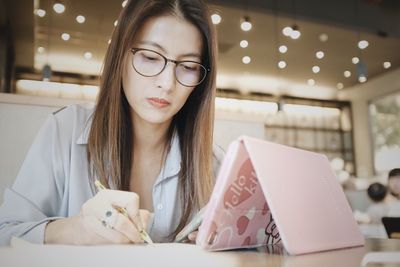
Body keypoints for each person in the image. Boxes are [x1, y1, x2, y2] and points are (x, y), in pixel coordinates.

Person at [0, 0, 223, 245]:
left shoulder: (214, 164)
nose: (167, 83)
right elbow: (5, 232)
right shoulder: (65, 131)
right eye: (150, 57)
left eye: (188, 66)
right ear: (120, 56)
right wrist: (73, 230)